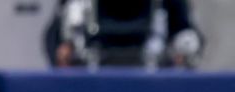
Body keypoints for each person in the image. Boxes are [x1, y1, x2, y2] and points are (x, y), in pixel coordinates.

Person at [46, 0, 203, 69]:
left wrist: (183, 53)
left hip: (153, 82)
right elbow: (55, 37)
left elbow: (186, 32)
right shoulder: (78, 4)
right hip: (92, 83)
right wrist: (63, 51)